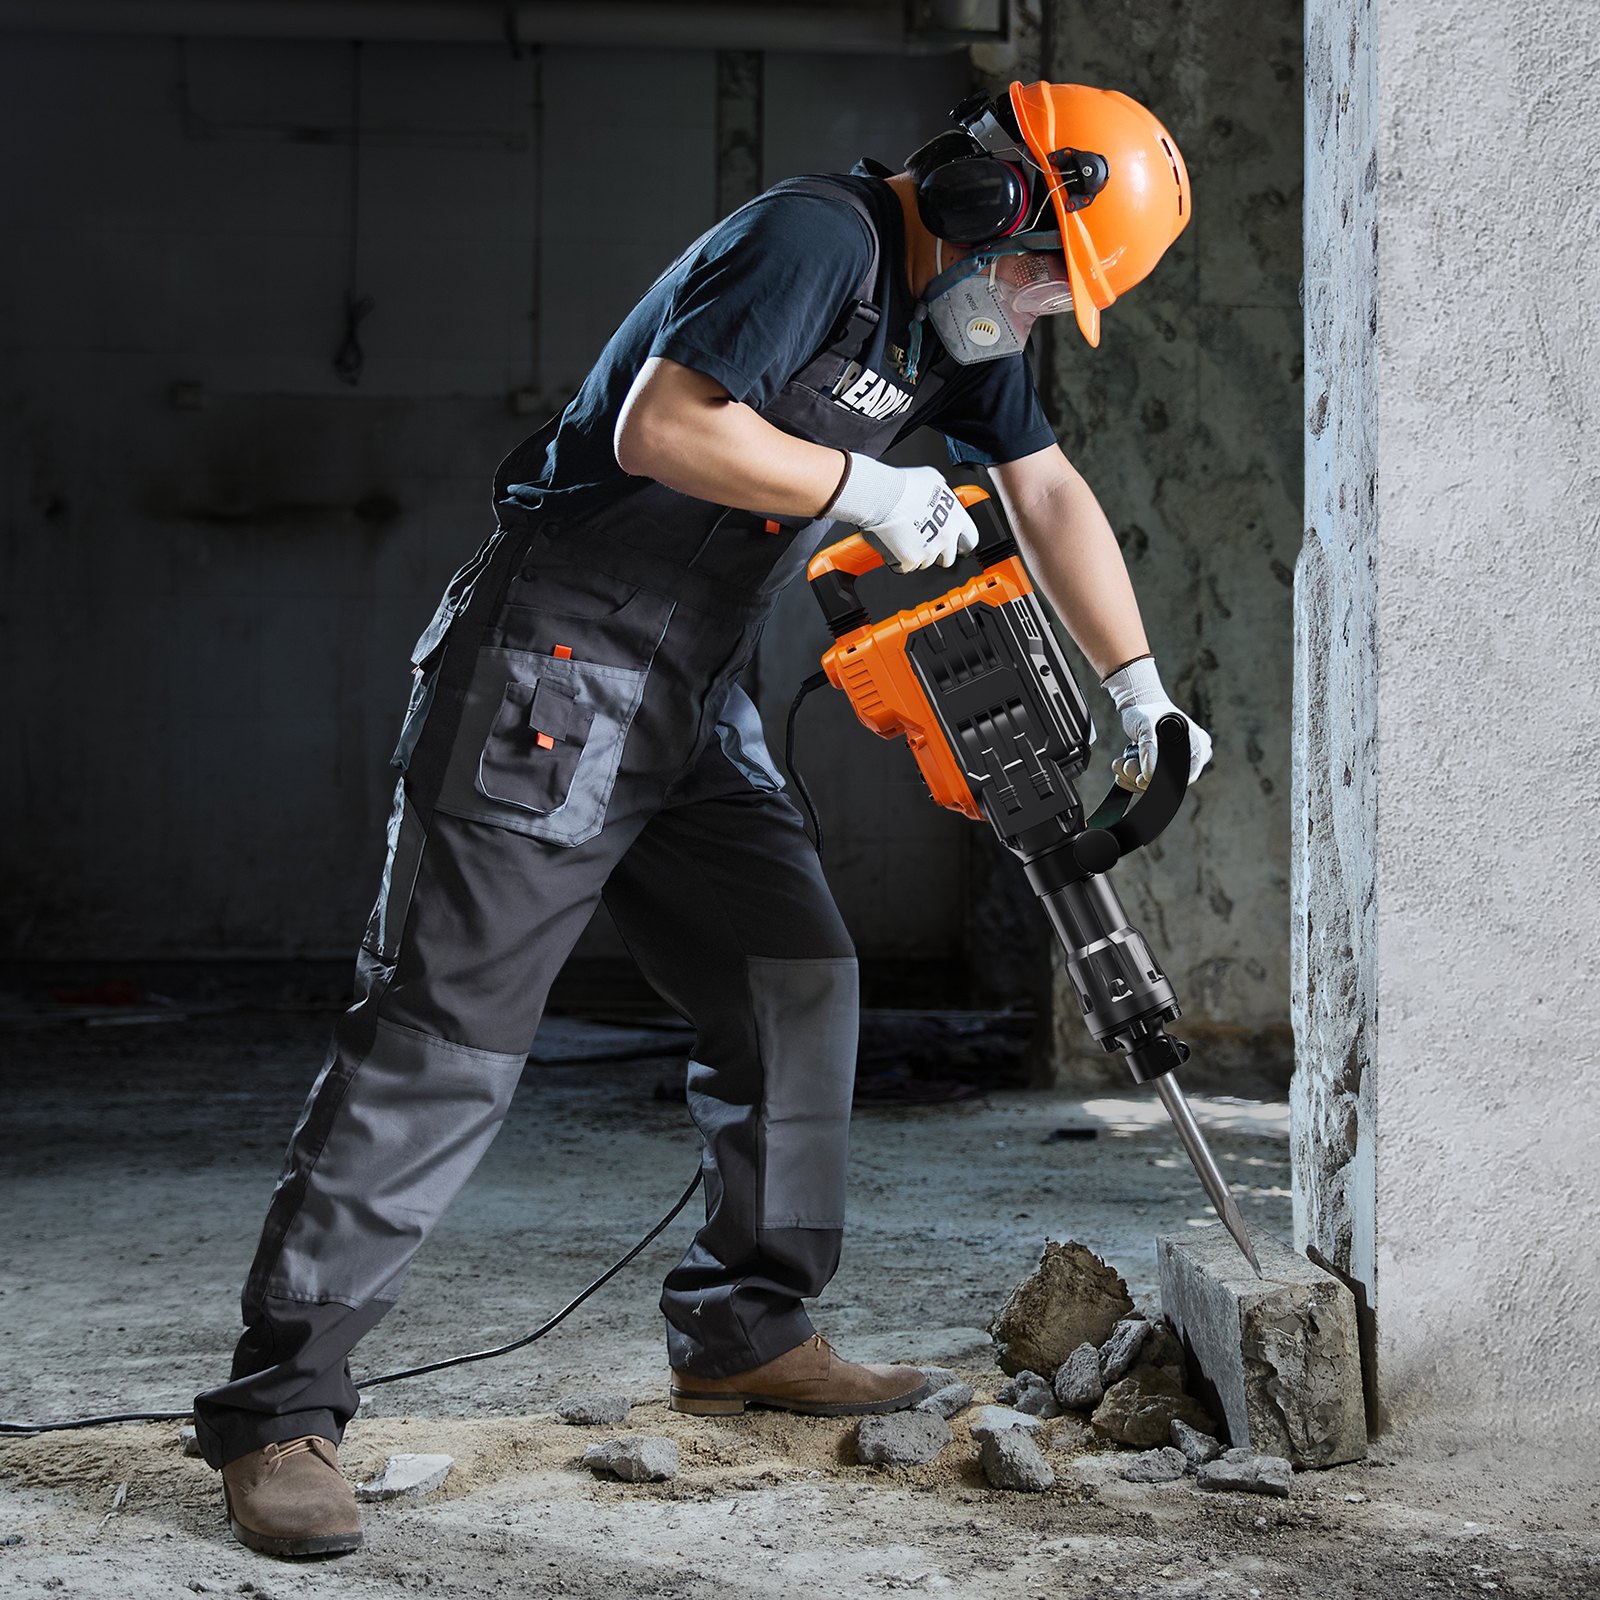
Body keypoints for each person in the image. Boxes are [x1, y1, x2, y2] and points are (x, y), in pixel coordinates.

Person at [193, 78, 1214, 1558]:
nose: (1047, 313)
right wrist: (863, 484)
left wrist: (1141, 691)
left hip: (693, 685)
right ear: (998, 206)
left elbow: (1046, 490)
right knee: (446, 1039)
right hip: (557, 660)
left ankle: (746, 1321)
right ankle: (279, 1408)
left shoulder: (953, 327)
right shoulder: (814, 241)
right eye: (1055, 277)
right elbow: (665, 426)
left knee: (794, 977)